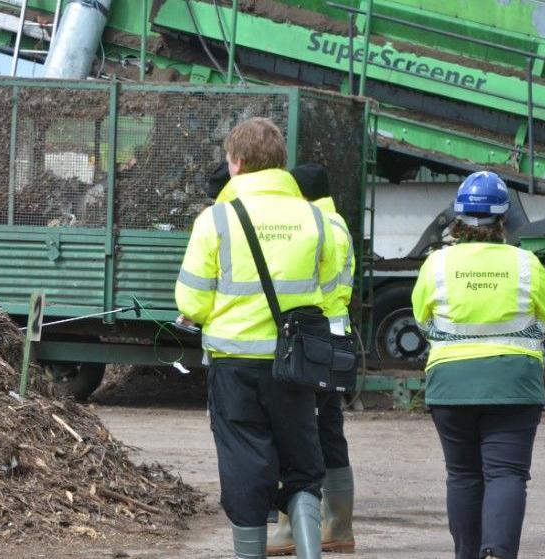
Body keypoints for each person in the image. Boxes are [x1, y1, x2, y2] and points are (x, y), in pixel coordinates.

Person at [175, 117, 338, 559]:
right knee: (303, 466)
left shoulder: (215, 220)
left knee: (245, 465)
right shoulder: (316, 218)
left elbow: (191, 301)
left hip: (235, 364)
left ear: (238, 162)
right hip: (295, 363)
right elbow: (333, 287)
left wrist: (209, 314)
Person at [411, 171, 545, 559]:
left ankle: (467, 554)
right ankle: (497, 553)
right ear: (504, 219)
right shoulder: (526, 263)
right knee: (507, 474)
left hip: (450, 386)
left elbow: (422, 321)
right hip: (514, 384)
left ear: (458, 219)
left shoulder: (437, 265)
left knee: (462, 474)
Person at [265, 164, 357, 556]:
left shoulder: (313, 224)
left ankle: (290, 529)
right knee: (329, 428)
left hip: (313, 339)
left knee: (296, 428)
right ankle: (338, 526)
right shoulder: (336, 222)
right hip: (335, 339)